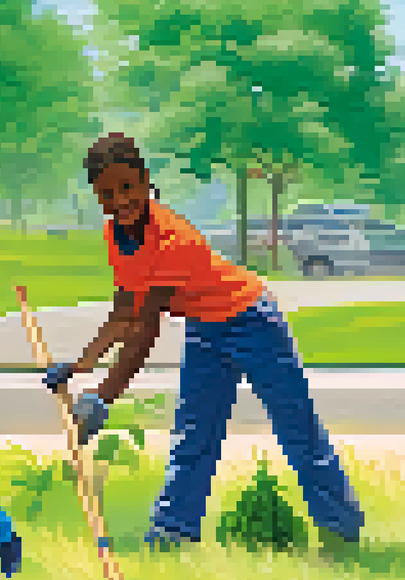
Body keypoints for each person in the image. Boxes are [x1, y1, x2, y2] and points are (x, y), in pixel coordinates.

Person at [47, 134, 363, 546]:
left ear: (145, 181)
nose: (120, 200)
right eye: (107, 193)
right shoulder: (116, 235)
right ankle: (173, 531)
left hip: (252, 321)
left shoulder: (172, 239)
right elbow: (123, 310)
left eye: (127, 188)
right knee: (195, 433)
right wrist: (80, 364)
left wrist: (104, 398)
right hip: (204, 327)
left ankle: (340, 528)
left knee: (296, 427)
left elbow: (144, 330)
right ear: (97, 195)